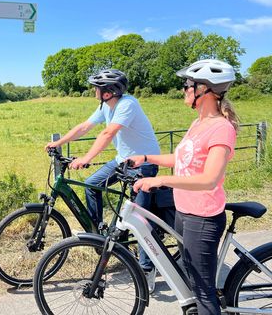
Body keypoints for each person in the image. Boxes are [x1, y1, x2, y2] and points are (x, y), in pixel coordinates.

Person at [45, 68, 175, 293]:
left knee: (138, 217)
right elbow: (85, 127)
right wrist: (59, 143)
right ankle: (99, 237)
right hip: (121, 160)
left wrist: (86, 158)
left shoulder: (127, 105)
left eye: (97, 87)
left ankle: (146, 268)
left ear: (108, 92)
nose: (94, 90)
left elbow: (107, 134)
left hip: (143, 164)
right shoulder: (106, 106)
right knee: (92, 185)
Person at [130, 59, 238, 314]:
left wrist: (161, 180)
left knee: (203, 293)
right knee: (191, 281)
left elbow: (209, 179)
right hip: (184, 212)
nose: (184, 90)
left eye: (188, 85)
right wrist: (146, 158)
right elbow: (182, 159)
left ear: (205, 91)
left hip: (203, 219)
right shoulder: (197, 124)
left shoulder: (222, 129)